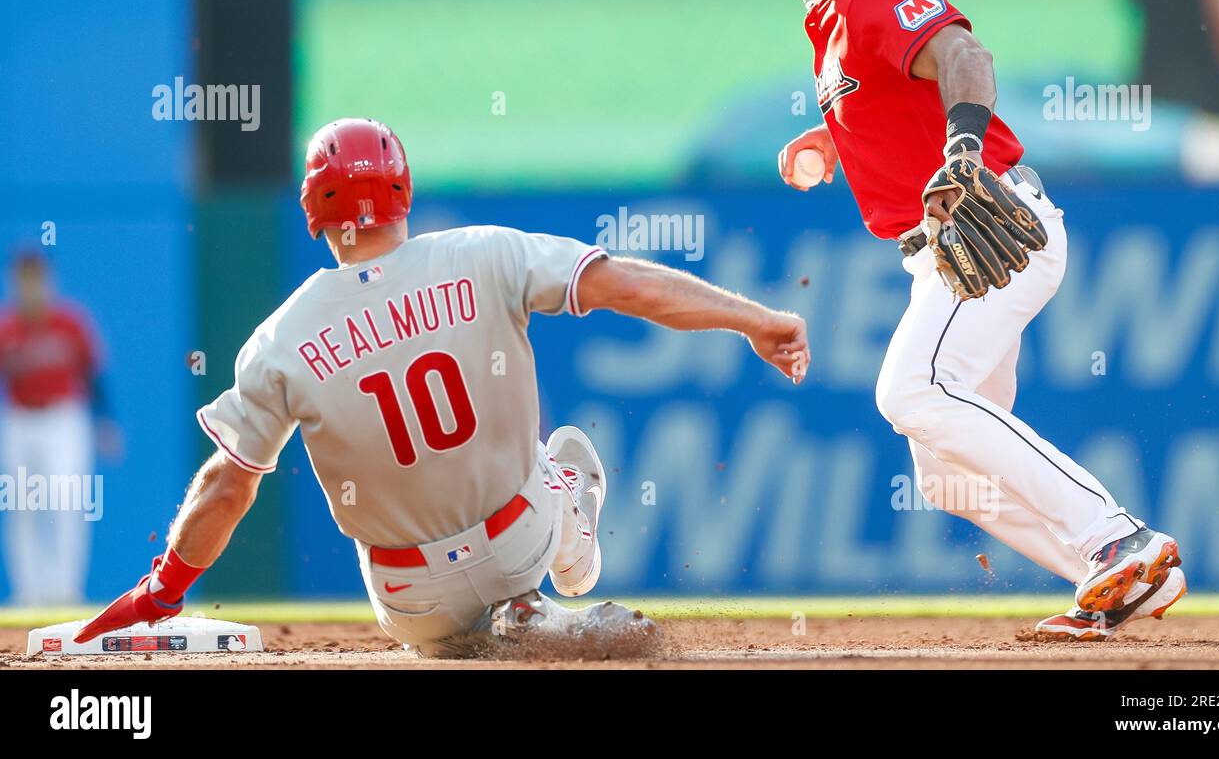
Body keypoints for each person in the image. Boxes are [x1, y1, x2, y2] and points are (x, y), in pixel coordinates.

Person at [75, 118, 809, 655]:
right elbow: (626, 286)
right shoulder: (486, 253)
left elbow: (226, 488)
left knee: (448, 612)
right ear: (403, 192)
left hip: (405, 599)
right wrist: (753, 319)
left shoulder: (280, 339)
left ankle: (515, 625)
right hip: (519, 539)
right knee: (555, 456)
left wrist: (162, 589)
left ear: (313, 211)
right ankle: (558, 577)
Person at [752, 0, 1185, 639]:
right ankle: (1114, 575)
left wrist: (961, 150)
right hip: (946, 253)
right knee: (946, 475)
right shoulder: (832, 21)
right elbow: (898, 97)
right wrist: (839, 137)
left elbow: (963, 58)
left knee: (910, 391)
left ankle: (1115, 536)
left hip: (987, 227)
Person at [0, 251, 118, 606]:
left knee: (67, 501)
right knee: (22, 504)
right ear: (16, 282)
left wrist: (105, 421)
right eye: (24, 278)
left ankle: (65, 590)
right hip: (20, 419)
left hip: (64, 418)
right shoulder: (8, 328)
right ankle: (29, 592)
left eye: (37, 277)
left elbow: (94, 374)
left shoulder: (70, 323)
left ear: (48, 280)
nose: (31, 285)